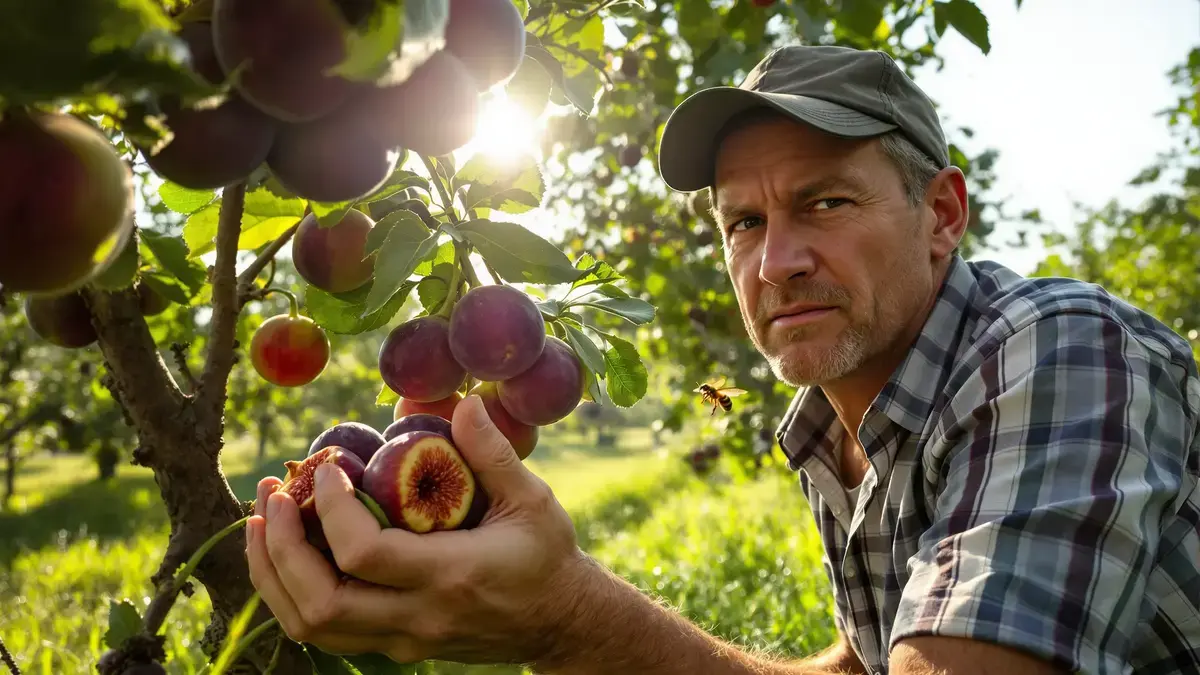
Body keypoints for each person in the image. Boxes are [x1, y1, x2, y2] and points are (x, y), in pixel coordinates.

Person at [245, 44, 1200, 674]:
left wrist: (567, 615)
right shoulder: (840, 422)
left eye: (826, 202)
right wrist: (560, 611)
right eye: (745, 220)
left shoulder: (1063, 350)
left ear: (943, 214)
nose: (776, 261)